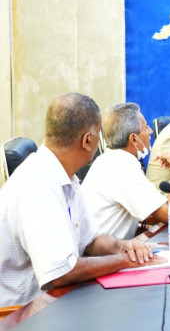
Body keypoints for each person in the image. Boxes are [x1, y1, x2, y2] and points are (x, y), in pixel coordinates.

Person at [0, 93, 160, 308]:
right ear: (87, 140)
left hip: (56, 302)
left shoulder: (66, 177)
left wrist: (125, 247)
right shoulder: (38, 184)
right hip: (21, 314)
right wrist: (124, 261)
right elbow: (61, 273)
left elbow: (91, 240)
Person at [82, 103, 170, 240]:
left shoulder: (107, 160)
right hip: (104, 252)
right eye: (146, 128)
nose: (150, 131)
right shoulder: (123, 166)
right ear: (133, 138)